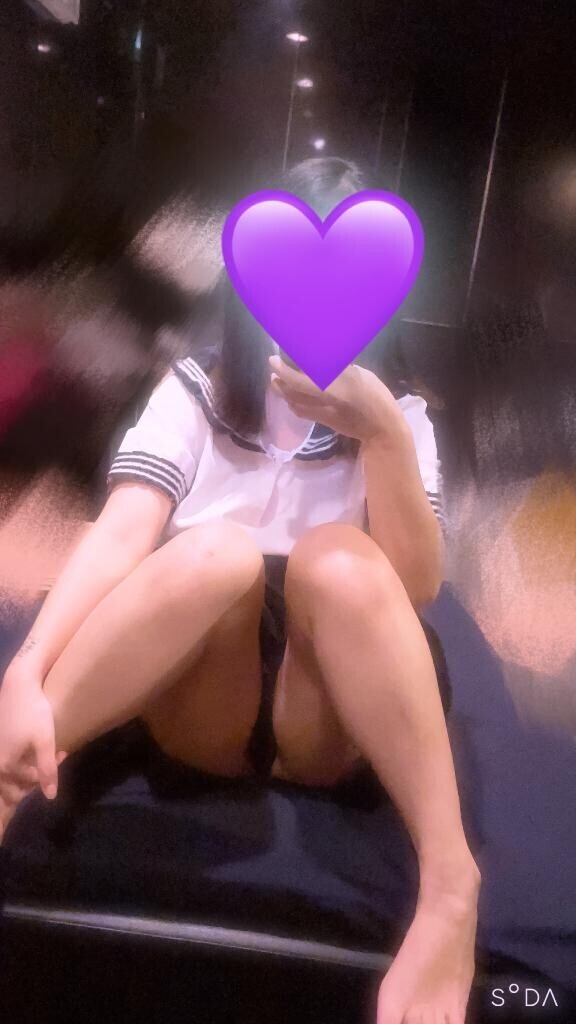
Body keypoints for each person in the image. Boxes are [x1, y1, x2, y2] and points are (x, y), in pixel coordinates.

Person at [0, 157, 480, 1024]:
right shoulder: (196, 388)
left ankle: (452, 884)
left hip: (328, 703)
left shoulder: (400, 415)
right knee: (215, 551)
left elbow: (412, 588)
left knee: (338, 559)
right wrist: (26, 670)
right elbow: (121, 534)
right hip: (203, 698)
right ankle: (8, 768)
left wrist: (382, 435)